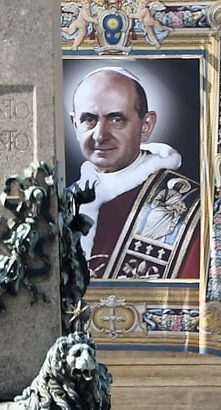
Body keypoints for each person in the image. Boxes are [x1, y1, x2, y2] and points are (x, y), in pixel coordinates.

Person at [68, 66, 200, 279]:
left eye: (116, 119)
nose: (100, 135)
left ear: (146, 125)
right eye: (89, 119)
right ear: (75, 125)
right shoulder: (61, 204)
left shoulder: (191, 206)